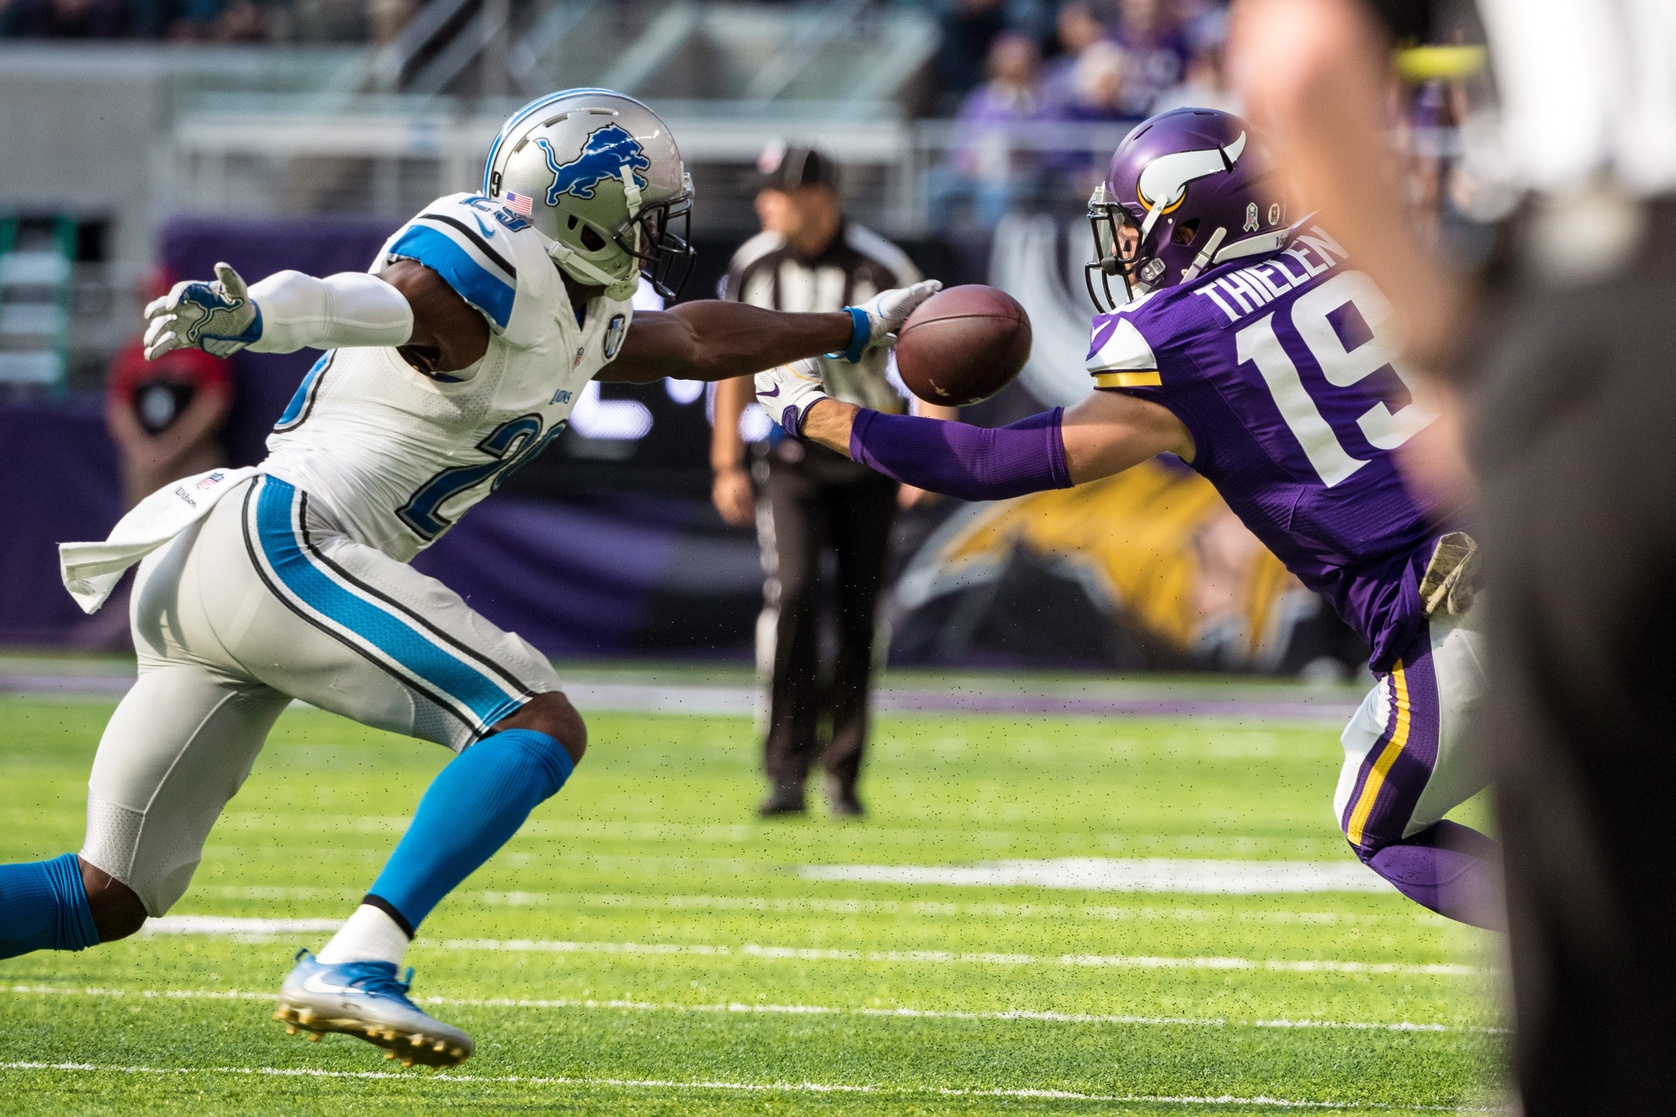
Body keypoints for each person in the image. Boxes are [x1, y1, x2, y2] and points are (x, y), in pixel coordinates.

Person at [0, 89, 938, 1066]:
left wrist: (857, 323)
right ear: (582, 205)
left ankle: (349, 956)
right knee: (534, 720)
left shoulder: (580, 305)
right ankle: (359, 956)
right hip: (280, 541)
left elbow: (699, 340)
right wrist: (259, 316)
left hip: (215, 569)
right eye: (645, 206)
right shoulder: (492, 252)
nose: (660, 230)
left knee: (104, 896)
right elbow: (366, 303)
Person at [758, 108, 1501, 931]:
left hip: (1453, 609)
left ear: (1187, 220)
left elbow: (988, 463)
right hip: (1539, 532)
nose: (1123, 249)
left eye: (1134, 226)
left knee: (1378, 822)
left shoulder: (1180, 342)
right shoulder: (1357, 252)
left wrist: (810, 412)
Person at [1229, 0, 1676, 1110]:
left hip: (1610, 298)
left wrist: (1443, 347)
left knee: (1601, 938)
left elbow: (1300, 56)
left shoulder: (1173, 332)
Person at [711, 144, 954, 818]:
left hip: (869, 454)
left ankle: (842, 773)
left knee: (856, 614)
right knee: (790, 596)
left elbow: (934, 358)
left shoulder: (881, 266)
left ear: (819, 195)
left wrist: (928, 448)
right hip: (789, 457)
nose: (764, 204)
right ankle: (785, 770)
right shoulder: (754, 263)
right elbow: (732, 361)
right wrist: (725, 459)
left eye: (777, 192)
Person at [105, 270, 234, 509]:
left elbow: (212, 404)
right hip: (145, 459)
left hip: (193, 458)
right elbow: (119, 409)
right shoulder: (132, 354)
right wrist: (142, 449)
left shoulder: (203, 350)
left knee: (195, 522)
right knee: (142, 525)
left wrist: (171, 447)